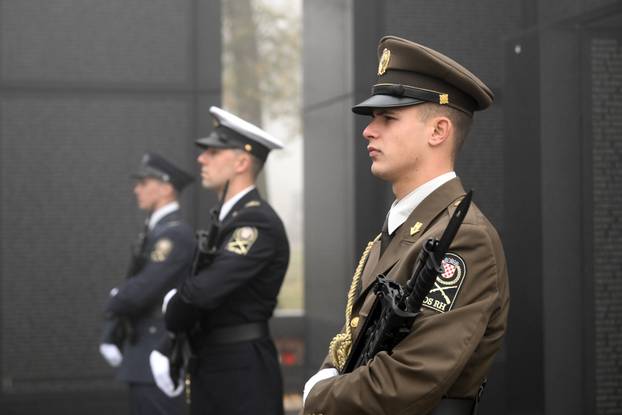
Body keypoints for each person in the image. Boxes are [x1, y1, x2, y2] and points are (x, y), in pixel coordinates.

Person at [302, 36, 510, 414]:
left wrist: (318, 397)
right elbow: (353, 341)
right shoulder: (408, 227)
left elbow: (410, 379)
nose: (369, 130)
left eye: (388, 118)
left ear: (438, 131)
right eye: (372, 119)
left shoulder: (464, 239)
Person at [150, 106, 290, 415]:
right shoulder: (227, 220)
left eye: (213, 151)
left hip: (242, 375)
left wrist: (173, 305)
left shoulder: (257, 223)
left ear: (241, 161)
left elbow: (203, 290)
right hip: (216, 365)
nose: (201, 158)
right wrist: (168, 342)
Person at [100, 152, 195, 415]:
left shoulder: (174, 234)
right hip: (143, 345)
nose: (136, 189)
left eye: (144, 182)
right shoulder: (156, 230)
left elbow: (143, 289)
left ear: (165, 188)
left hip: (157, 345)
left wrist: (114, 298)